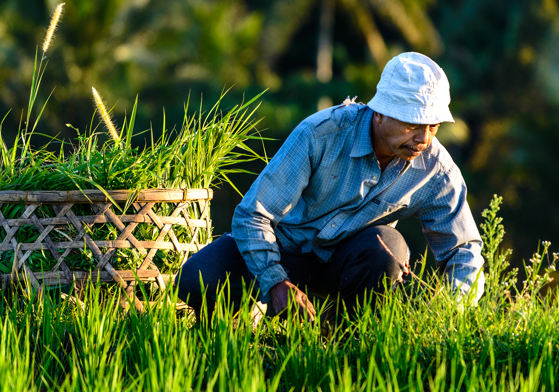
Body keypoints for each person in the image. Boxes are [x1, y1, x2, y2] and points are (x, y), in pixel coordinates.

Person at [177, 52, 485, 320]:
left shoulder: (436, 168)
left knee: (387, 249)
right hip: (286, 252)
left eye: (433, 126)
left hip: (351, 268)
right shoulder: (321, 134)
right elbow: (253, 215)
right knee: (198, 277)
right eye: (412, 125)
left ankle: (348, 336)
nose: (424, 138)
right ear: (380, 114)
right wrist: (275, 281)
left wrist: (449, 312)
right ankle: (235, 330)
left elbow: (464, 248)